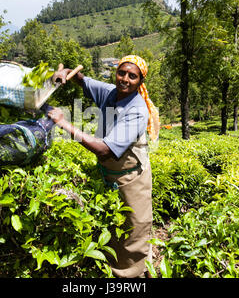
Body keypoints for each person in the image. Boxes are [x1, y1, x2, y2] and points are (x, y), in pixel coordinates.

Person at [47, 55, 160, 278]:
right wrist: (66, 73)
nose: (125, 79)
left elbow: (104, 150)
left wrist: (63, 123)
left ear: (140, 81)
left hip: (132, 179)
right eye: (122, 73)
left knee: (133, 232)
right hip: (109, 175)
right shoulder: (110, 91)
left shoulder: (137, 109)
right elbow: (81, 79)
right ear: (116, 72)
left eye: (132, 76)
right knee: (114, 230)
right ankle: (118, 270)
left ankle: (131, 276)